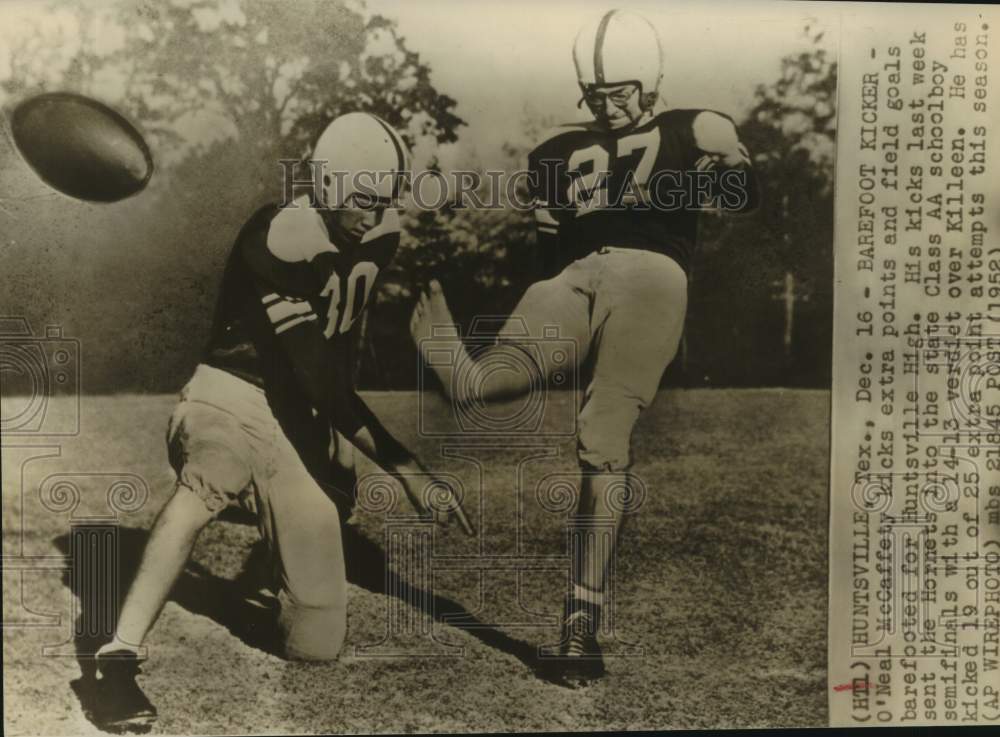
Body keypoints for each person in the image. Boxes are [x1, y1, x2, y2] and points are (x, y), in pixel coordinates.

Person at [409, 9, 759, 687]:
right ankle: (462, 373)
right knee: (486, 381)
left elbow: (743, 192)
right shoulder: (555, 152)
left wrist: (728, 158)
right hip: (573, 275)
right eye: (598, 92)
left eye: (621, 88)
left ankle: (580, 621)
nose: (609, 101)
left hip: (652, 273)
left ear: (650, 81)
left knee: (603, 433)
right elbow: (548, 255)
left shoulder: (691, 125)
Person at [91, 112, 470, 732]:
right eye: (363, 201)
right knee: (208, 481)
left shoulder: (377, 235)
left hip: (297, 416)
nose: (373, 217)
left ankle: (276, 543)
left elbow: (335, 357)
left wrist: (334, 448)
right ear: (326, 183)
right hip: (227, 397)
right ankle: (118, 658)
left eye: (384, 202)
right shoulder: (277, 235)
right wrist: (407, 471)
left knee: (317, 640)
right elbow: (316, 371)